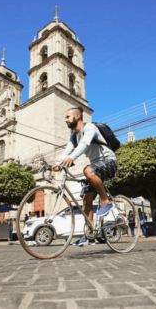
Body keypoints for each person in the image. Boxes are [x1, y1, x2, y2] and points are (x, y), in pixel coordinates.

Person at [53, 106, 118, 247]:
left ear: (77, 116)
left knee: (88, 171)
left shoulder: (90, 128)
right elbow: (67, 150)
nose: (65, 120)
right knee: (86, 199)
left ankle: (106, 201)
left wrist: (72, 158)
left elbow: (85, 143)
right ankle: (89, 234)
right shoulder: (73, 136)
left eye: (67, 117)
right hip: (96, 165)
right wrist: (58, 163)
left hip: (109, 161)